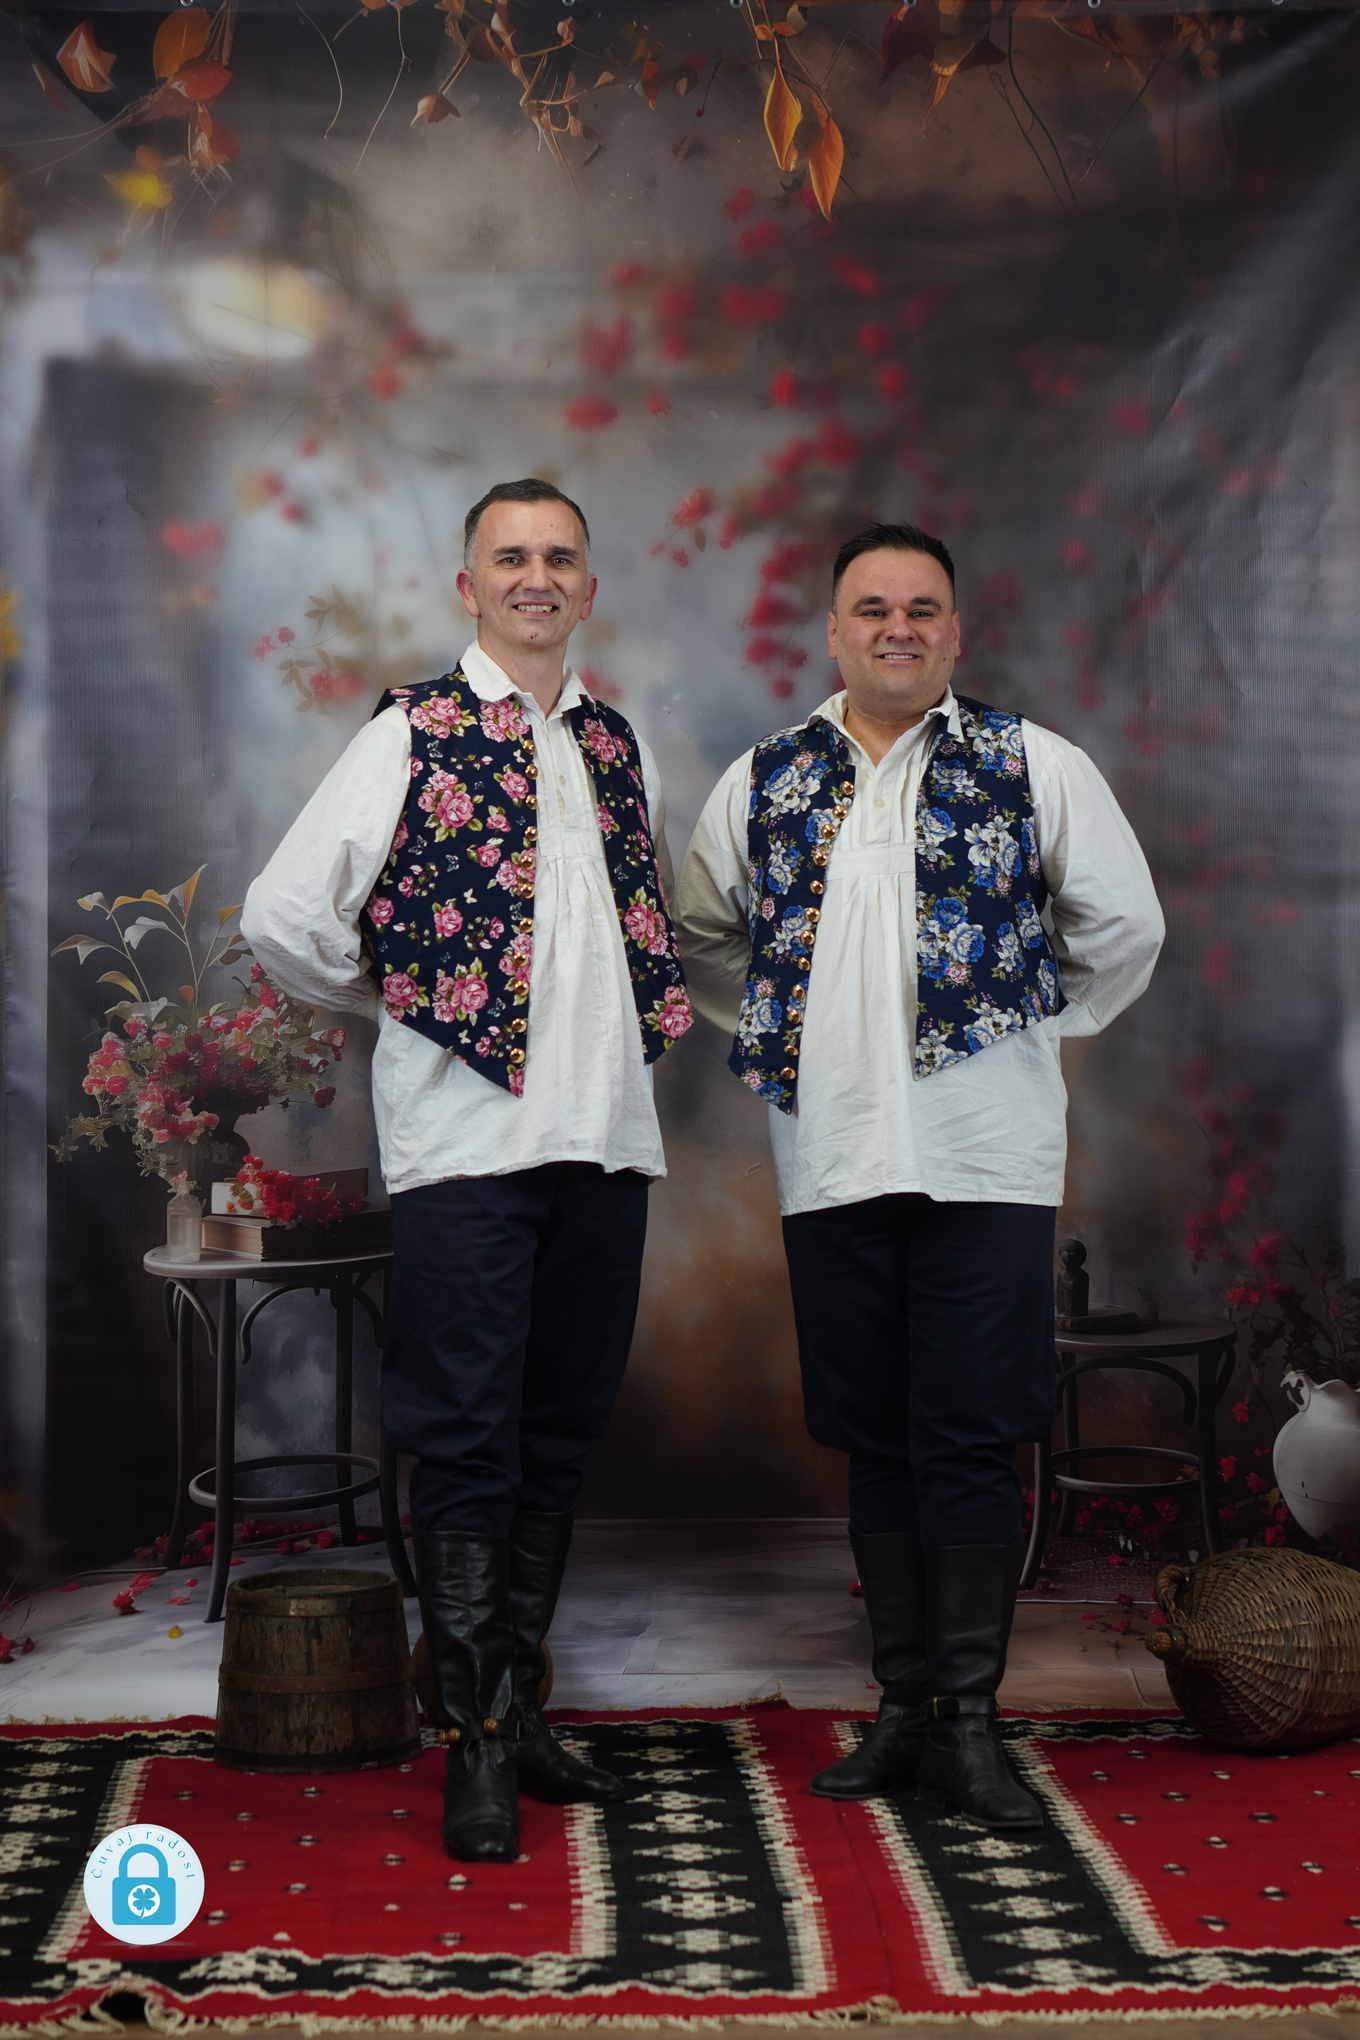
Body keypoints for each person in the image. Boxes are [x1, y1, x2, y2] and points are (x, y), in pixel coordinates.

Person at [677, 522, 1163, 1830]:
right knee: (875, 1432)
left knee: (971, 1430)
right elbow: (703, 931)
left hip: (986, 1155)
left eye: (922, 608)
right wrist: (788, 1026)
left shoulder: (1031, 764)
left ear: (955, 631)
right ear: (833, 633)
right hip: (833, 1155)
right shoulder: (767, 779)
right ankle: (901, 1710)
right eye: (873, 608)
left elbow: (1125, 925)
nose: (898, 627)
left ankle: (968, 1722)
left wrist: (1035, 1021)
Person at [243, 479, 691, 1862]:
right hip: (468, 1145)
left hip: (604, 1135)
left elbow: (634, 924)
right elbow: (284, 914)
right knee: (464, 1431)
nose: (535, 576)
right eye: (511, 557)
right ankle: (476, 1738)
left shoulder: (615, 743)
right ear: (470, 585)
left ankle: (522, 1706)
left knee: (560, 1423)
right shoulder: (412, 732)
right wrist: (408, 995)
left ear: (589, 587)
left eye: (558, 556)